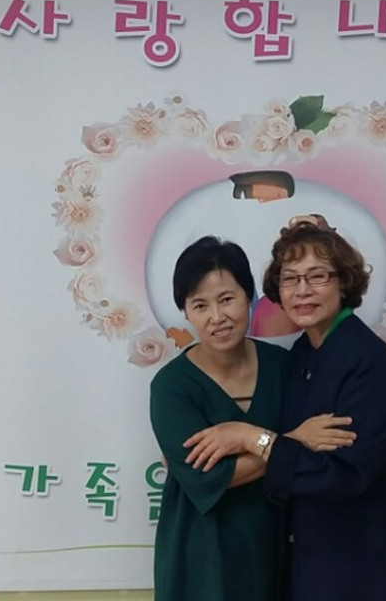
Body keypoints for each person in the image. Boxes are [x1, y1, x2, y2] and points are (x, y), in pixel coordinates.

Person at [184, 221, 386, 601]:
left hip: (365, 565)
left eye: (317, 276)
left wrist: (251, 438)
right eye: (290, 278)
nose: (302, 290)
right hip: (309, 559)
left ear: (344, 282)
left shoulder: (368, 362)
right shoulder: (301, 354)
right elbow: (294, 447)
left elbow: (345, 474)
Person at [149, 235, 355, 601]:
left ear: (249, 297)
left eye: (227, 299)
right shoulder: (172, 387)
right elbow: (210, 478)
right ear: (186, 312)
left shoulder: (284, 366)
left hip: (277, 547)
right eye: (200, 305)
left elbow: (321, 449)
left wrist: (253, 441)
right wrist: (292, 441)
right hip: (202, 557)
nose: (217, 317)